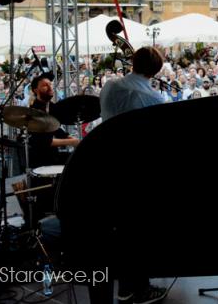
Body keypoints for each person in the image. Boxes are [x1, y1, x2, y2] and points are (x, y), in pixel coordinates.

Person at [97, 46, 170, 304]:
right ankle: (140, 289)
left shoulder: (109, 87)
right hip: (137, 172)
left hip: (107, 167)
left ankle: (125, 287)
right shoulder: (153, 98)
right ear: (157, 70)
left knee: (119, 230)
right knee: (139, 232)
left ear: (132, 62)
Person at [28, 75, 79, 168]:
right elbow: (45, 141)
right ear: (35, 90)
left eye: (50, 84)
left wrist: (69, 137)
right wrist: (71, 142)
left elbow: (56, 128)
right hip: (40, 159)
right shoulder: (35, 112)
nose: (50, 87)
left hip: (53, 153)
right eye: (45, 85)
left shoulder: (51, 106)